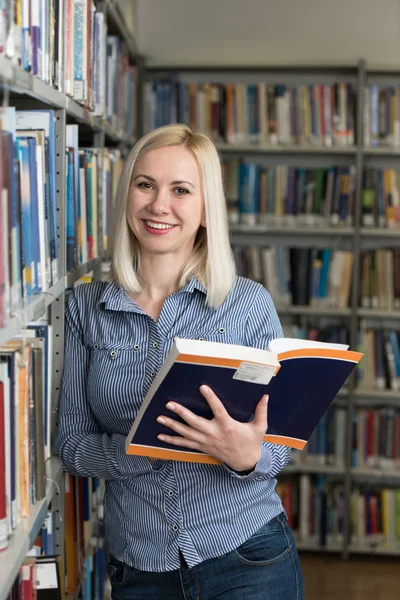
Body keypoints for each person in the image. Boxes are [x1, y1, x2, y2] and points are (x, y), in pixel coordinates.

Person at [56, 123, 304, 600]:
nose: (158, 205)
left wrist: (247, 455)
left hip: (248, 557)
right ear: (127, 194)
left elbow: (280, 444)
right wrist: (137, 451)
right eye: (145, 184)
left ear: (207, 209)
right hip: (141, 569)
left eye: (181, 190)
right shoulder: (85, 309)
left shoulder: (247, 305)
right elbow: (71, 444)